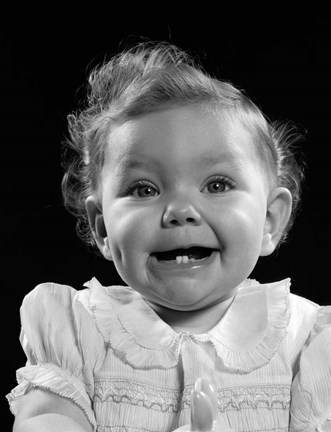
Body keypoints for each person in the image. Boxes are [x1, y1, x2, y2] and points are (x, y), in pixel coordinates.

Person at [6, 41, 331, 432]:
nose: (180, 211)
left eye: (216, 184)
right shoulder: (76, 333)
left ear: (268, 220)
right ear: (103, 228)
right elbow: (46, 419)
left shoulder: (307, 341)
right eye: (144, 189)